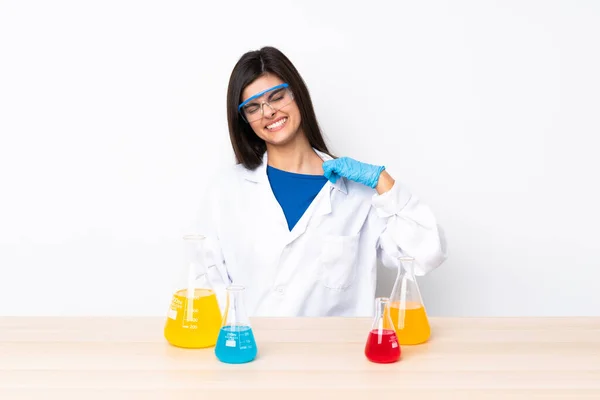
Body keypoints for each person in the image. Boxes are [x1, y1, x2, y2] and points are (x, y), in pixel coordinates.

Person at [196, 46, 447, 317]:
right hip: (251, 354)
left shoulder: (359, 195)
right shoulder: (226, 191)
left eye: (277, 97)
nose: (268, 112)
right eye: (254, 107)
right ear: (245, 120)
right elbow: (207, 284)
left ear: (298, 95)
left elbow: (426, 253)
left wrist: (383, 181)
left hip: (334, 357)